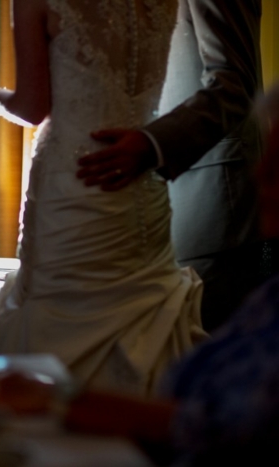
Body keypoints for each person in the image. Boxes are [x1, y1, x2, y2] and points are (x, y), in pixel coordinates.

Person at [0, 88, 279, 464]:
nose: (260, 174)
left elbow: (217, 426)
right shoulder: (268, 300)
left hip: (147, 187)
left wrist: (59, 400)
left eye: (277, 166)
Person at [0, 0, 207, 396]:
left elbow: (32, 108)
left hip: (72, 188)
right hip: (141, 178)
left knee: (55, 317)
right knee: (143, 313)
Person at [75, 0, 264, 333]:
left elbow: (234, 83)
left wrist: (152, 144)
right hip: (143, 202)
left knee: (206, 358)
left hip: (211, 203)